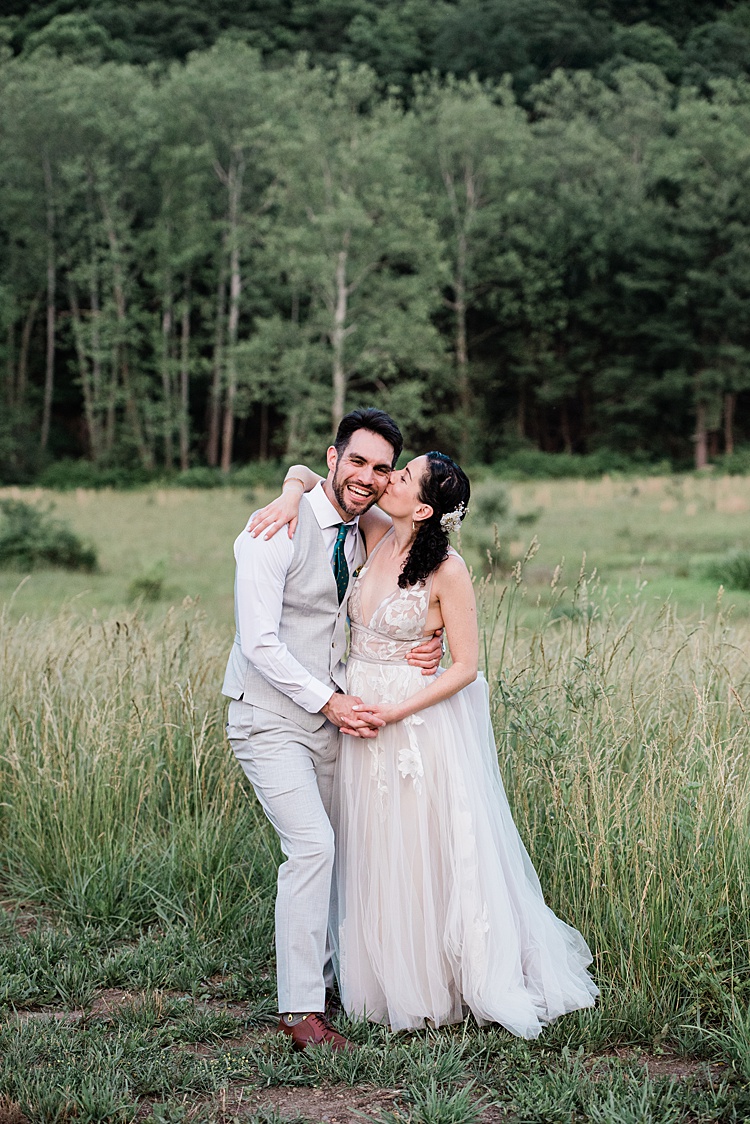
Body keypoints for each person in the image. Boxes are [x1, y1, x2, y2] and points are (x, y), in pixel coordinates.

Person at [250, 449, 599, 1036]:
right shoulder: (377, 528)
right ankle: (375, 975)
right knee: (370, 849)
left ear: (426, 506)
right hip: (356, 712)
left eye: (403, 476)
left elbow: (465, 666)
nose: (388, 479)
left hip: (407, 722)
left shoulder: (449, 569)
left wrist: (397, 709)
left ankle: (435, 980)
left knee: (419, 850)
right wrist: (288, 491)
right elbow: (316, 475)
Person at [222, 408, 442, 1052]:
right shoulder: (271, 534)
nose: (368, 477)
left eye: (381, 469)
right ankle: (300, 1014)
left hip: (333, 718)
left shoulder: (361, 526)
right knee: (314, 847)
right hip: (269, 719)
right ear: (332, 457)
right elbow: (258, 643)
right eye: (357, 462)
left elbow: (424, 550)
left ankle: (331, 980)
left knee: (347, 850)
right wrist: (329, 703)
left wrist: (432, 638)